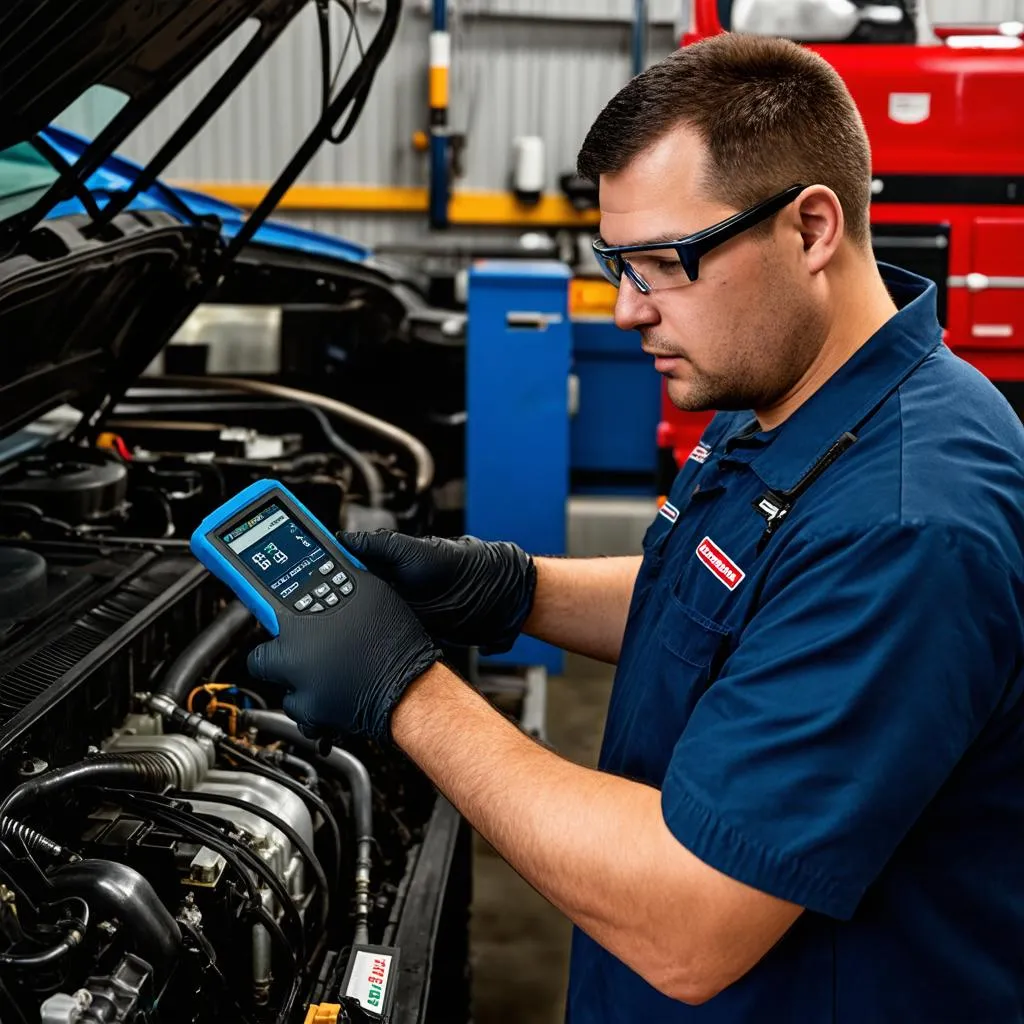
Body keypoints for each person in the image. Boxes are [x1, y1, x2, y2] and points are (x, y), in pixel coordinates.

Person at [247, 32, 1024, 1022]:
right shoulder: (780, 392)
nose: (623, 311)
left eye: (661, 263)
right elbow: (731, 599)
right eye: (618, 263)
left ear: (811, 228)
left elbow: (689, 921)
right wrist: (513, 586)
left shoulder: (911, 521)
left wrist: (407, 691)